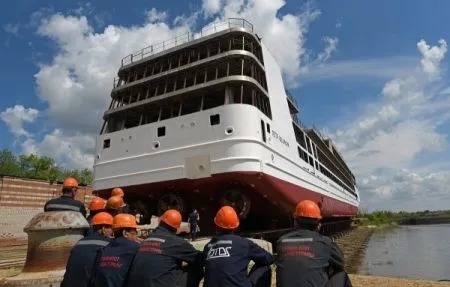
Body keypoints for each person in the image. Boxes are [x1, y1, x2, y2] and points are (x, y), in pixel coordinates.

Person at [274, 200, 352, 287]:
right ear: (318, 225)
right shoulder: (325, 242)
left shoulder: (281, 241)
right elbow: (341, 263)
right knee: (341, 274)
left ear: (295, 222)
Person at [125, 209, 204, 287]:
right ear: (176, 228)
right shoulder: (176, 242)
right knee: (196, 267)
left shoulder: (147, 240)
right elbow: (200, 258)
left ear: (160, 222)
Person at [203, 206, 274, 287]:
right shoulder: (244, 243)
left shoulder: (208, 247)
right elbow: (269, 258)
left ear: (216, 226)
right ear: (236, 226)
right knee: (265, 267)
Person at [61, 212, 114, 287]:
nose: (112, 232)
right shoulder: (108, 244)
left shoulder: (80, 241)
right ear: (104, 228)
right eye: (111, 228)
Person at [90, 213, 141, 287]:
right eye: (134, 232)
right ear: (125, 233)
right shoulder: (136, 249)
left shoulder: (103, 249)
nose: (136, 236)